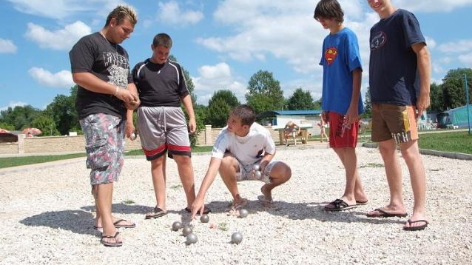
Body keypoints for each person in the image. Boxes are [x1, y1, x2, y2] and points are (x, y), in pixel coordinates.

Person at [69, 5, 139, 247]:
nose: (127, 35)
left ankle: (102, 216)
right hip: (96, 111)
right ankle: (107, 225)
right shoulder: (88, 43)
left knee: (112, 164)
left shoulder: (123, 53)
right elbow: (80, 76)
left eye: (130, 32)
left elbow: (129, 83)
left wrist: (131, 109)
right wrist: (117, 91)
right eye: (125, 29)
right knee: (104, 163)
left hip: (118, 115)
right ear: (112, 21)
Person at [126, 33, 209, 219]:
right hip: (148, 114)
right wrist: (129, 121)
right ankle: (160, 206)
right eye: (160, 52)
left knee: (184, 158)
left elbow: (184, 93)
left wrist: (192, 117)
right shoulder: (140, 69)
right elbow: (131, 98)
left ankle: (192, 203)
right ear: (152, 48)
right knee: (157, 161)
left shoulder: (176, 68)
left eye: (167, 53)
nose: (163, 56)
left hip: (174, 114)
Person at [365, 0, 431, 231]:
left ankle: (419, 210)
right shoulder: (374, 29)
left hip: (401, 99)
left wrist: (424, 91)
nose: (373, 1)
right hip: (379, 100)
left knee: (410, 152)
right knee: (385, 150)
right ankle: (396, 203)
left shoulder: (404, 17)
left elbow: (422, 52)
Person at [190, 105, 292, 218]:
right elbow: (213, 166)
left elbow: (271, 151)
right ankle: (237, 199)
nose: (228, 122)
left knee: (285, 171)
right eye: (229, 118)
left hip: (257, 167)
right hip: (238, 169)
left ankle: (266, 189)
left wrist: (263, 164)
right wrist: (200, 197)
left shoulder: (261, 133)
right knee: (224, 160)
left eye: (233, 121)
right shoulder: (224, 135)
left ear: (245, 127)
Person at [314, 0, 368, 211]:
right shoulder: (326, 41)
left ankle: (349, 195)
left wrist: (354, 105)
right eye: (319, 19)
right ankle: (360, 192)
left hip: (347, 104)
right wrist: (325, 105)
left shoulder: (348, 36)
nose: (321, 22)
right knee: (337, 146)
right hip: (332, 104)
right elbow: (328, 75)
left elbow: (357, 70)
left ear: (334, 14)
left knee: (348, 146)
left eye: (323, 17)